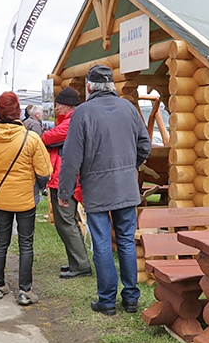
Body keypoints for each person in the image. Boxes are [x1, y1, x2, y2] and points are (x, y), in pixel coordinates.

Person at [58, 65, 151, 316]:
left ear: (89, 87)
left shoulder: (83, 112)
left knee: (101, 242)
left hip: (97, 188)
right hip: (125, 186)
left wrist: (63, 192)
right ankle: (131, 298)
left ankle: (107, 301)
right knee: (126, 242)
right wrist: (130, 166)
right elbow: (145, 145)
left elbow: (71, 158)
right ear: (112, 86)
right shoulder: (129, 109)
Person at [0, 92, 52, 306]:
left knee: (1, 242)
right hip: (26, 198)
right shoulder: (31, 138)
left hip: (0, 198)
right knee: (26, 244)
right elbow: (45, 170)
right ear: (18, 111)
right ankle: (25, 290)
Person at [41, 87, 91, 279]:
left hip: (65, 180)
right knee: (66, 222)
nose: (56, 107)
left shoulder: (71, 122)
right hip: (64, 178)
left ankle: (81, 264)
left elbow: (46, 137)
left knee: (66, 222)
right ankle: (76, 262)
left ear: (68, 105)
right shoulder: (71, 121)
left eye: (59, 104)